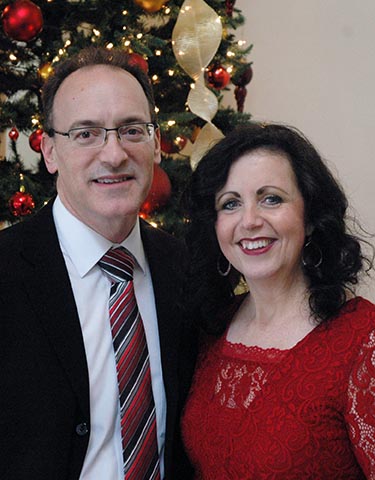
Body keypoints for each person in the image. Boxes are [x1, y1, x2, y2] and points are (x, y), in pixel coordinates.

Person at [0, 46, 195, 480]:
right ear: (50, 151)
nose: (113, 154)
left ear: (156, 143)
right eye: (86, 133)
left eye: (131, 130)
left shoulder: (184, 270)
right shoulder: (7, 271)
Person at [181, 122, 375, 479]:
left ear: (311, 217)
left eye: (271, 198)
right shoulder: (213, 326)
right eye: (231, 204)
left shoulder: (364, 341)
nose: (250, 221)